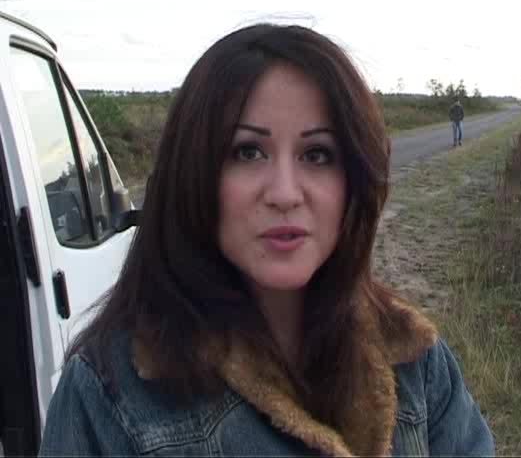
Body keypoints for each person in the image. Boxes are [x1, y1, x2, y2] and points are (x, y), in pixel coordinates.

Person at [39, 24, 494, 457]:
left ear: (354, 180)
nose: (284, 194)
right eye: (248, 152)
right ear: (193, 171)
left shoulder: (414, 359)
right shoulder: (107, 395)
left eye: (317, 154)